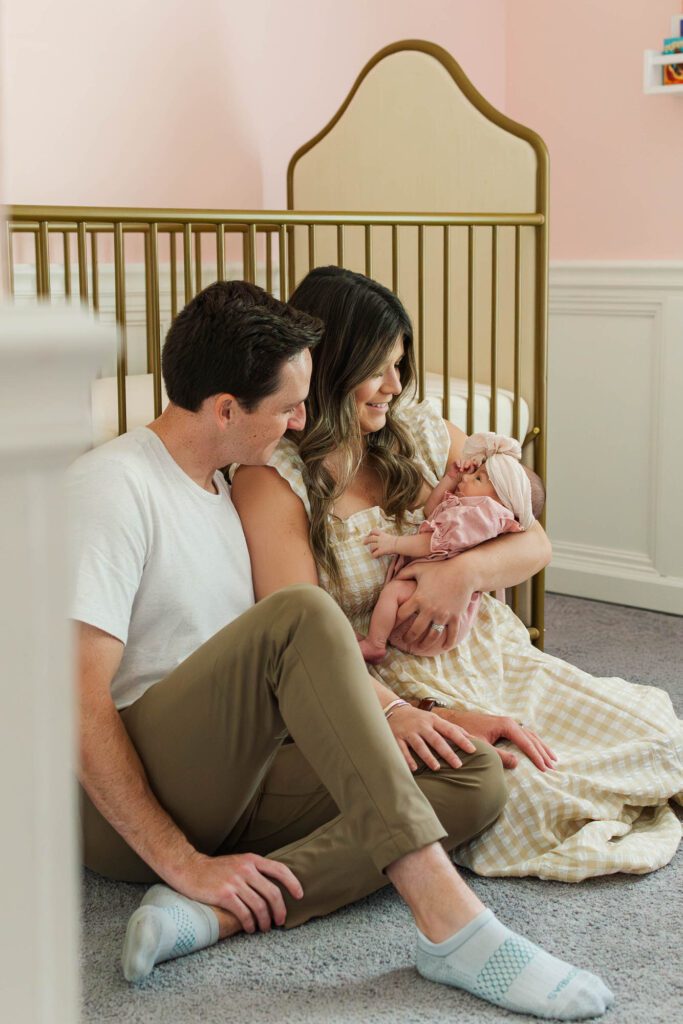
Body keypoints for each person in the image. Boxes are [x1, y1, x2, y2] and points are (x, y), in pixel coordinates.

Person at [70, 279, 612, 1019]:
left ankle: (211, 916)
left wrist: (422, 711)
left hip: (231, 772)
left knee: (470, 776)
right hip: (127, 806)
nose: (302, 421)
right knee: (302, 613)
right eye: (288, 406)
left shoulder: (218, 489)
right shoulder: (111, 488)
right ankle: (453, 926)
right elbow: (72, 701)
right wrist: (180, 860)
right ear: (227, 409)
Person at [234, 267, 680, 887]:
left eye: (401, 365)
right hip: (390, 675)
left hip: (483, 646)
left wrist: (463, 573)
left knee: (655, 733)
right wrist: (405, 710)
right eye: (379, 368)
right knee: (534, 796)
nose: (395, 384)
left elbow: (534, 540)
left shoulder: (418, 431)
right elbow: (305, 641)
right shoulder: (275, 481)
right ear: (331, 365)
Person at [359, 433, 545, 661]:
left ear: (503, 501)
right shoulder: (467, 509)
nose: (466, 479)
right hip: (429, 600)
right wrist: (450, 478)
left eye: (478, 479)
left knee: (393, 592)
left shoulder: (480, 517)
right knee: (395, 592)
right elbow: (431, 511)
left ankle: (375, 644)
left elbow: (432, 543)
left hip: (434, 618)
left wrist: (393, 543)